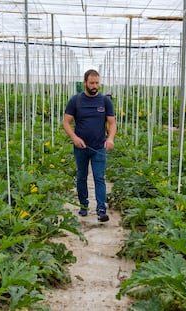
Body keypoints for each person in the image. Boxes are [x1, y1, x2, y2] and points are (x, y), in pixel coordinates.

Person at [63, 69, 117, 222]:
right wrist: (74, 137)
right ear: (85, 83)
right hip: (80, 147)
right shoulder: (76, 100)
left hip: (99, 147)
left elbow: (112, 123)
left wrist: (110, 138)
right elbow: (66, 122)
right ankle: (84, 205)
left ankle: (101, 209)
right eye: (92, 83)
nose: (95, 86)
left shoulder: (105, 101)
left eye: (97, 83)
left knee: (99, 177)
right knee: (81, 177)